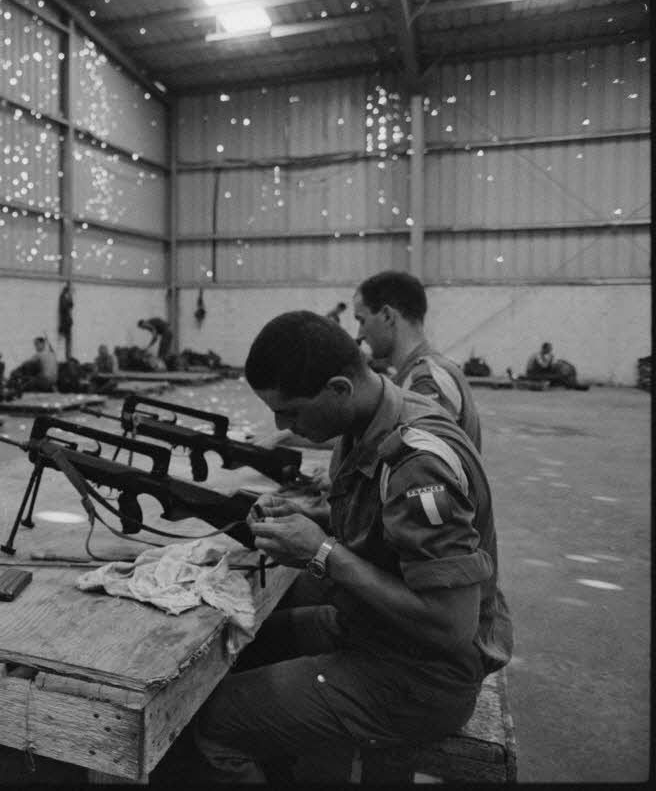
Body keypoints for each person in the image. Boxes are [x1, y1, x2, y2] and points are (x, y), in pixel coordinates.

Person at [191, 310, 512, 782]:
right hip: (375, 632)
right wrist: (313, 518)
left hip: (420, 678)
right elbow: (382, 522)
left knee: (209, 722)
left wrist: (321, 553)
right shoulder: (367, 424)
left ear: (339, 388)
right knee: (243, 645)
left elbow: (450, 625)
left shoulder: (417, 462)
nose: (283, 424)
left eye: (292, 410)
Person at [352, 271, 482, 451]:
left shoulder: (427, 379)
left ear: (387, 316)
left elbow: (424, 461)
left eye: (362, 320)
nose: (360, 335)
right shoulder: (408, 376)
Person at [523, 342, 589, 390]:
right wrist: (551, 361)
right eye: (549, 349)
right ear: (544, 348)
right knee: (558, 376)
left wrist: (556, 363)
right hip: (534, 374)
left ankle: (573, 384)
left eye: (550, 349)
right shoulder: (537, 356)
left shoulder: (545, 356)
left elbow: (548, 366)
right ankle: (573, 385)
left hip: (541, 373)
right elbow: (543, 366)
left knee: (559, 375)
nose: (550, 350)